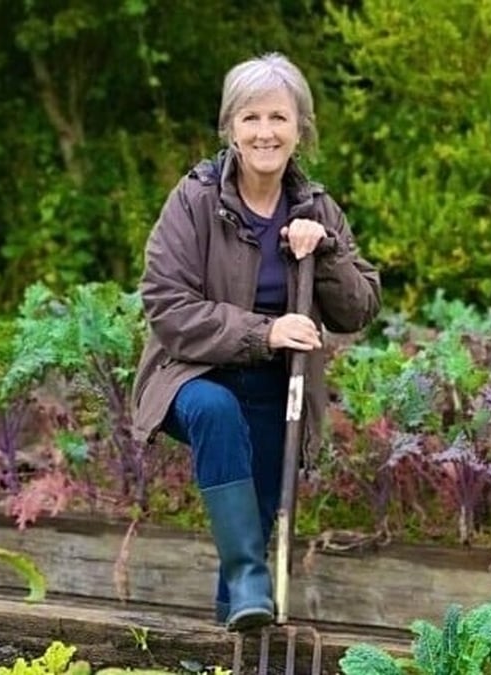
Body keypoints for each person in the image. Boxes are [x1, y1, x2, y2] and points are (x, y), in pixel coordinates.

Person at [129, 52, 382, 632]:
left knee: (254, 519)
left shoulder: (317, 209)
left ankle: (237, 631)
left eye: (278, 117)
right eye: (250, 118)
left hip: (278, 388)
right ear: (230, 128)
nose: (264, 132)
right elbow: (166, 304)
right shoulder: (194, 201)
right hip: (188, 374)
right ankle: (248, 578)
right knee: (217, 412)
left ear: (300, 129)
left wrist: (326, 254)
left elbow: (359, 308)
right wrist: (265, 331)